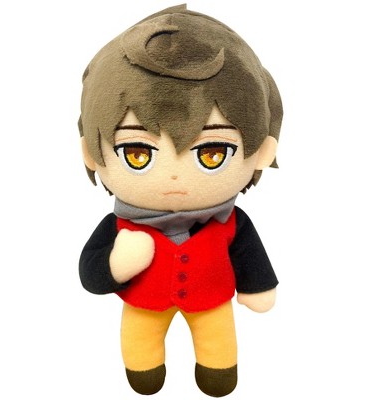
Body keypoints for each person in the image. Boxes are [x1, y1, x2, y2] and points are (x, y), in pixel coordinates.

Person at [78, 4, 283, 397]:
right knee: (140, 347)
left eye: (212, 153)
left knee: (218, 346)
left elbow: (248, 252)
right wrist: (116, 264)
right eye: (138, 153)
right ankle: (145, 369)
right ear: (92, 154)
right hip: (143, 304)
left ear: (261, 151)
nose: (174, 177)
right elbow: (90, 273)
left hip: (211, 302)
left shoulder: (232, 222)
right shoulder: (119, 227)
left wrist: (257, 284)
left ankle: (216, 371)